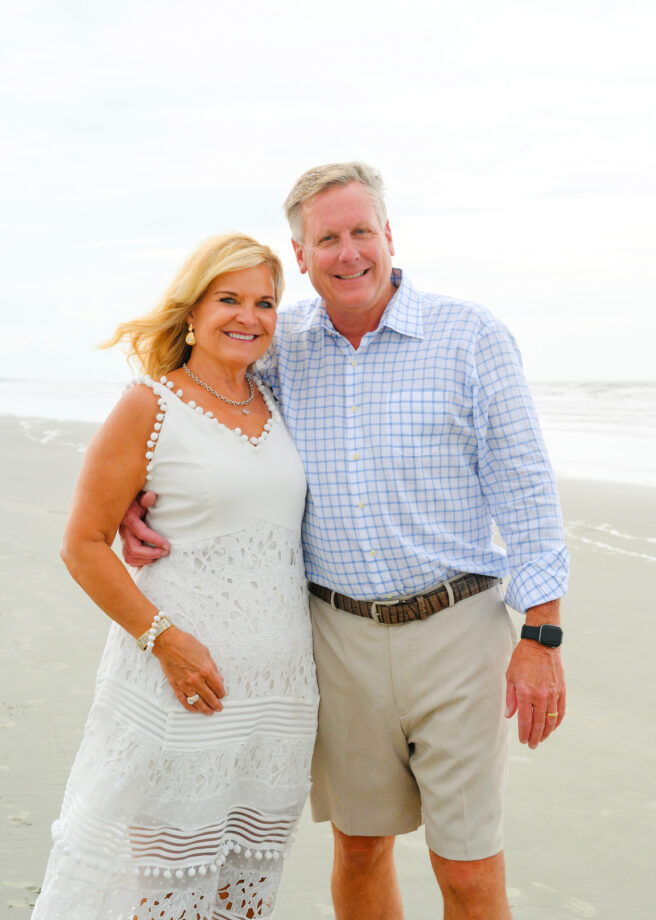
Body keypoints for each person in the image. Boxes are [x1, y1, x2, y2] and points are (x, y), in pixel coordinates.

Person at [121, 164, 569, 920]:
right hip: (335, 637)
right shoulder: (279, 343)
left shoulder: (471, 336)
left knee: (466, 866)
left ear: (390, 236)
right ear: (301, 256)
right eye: (327, 238)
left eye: (362, 232)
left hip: (459, 631)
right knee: (360, 849)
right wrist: (145, 485)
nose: (348, 252)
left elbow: (525, 487)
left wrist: (543, 634)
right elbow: (197, 399)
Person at [31, 234, 319, 920]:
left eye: (265, 303)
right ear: (192, 309)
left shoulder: (276, 404)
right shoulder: (149, 405)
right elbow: (84, 544)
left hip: (276, 700)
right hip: (181, 689)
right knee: (163, 891)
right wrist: (164, 640)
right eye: (229, 299)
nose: (248, 316)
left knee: (241, 894)